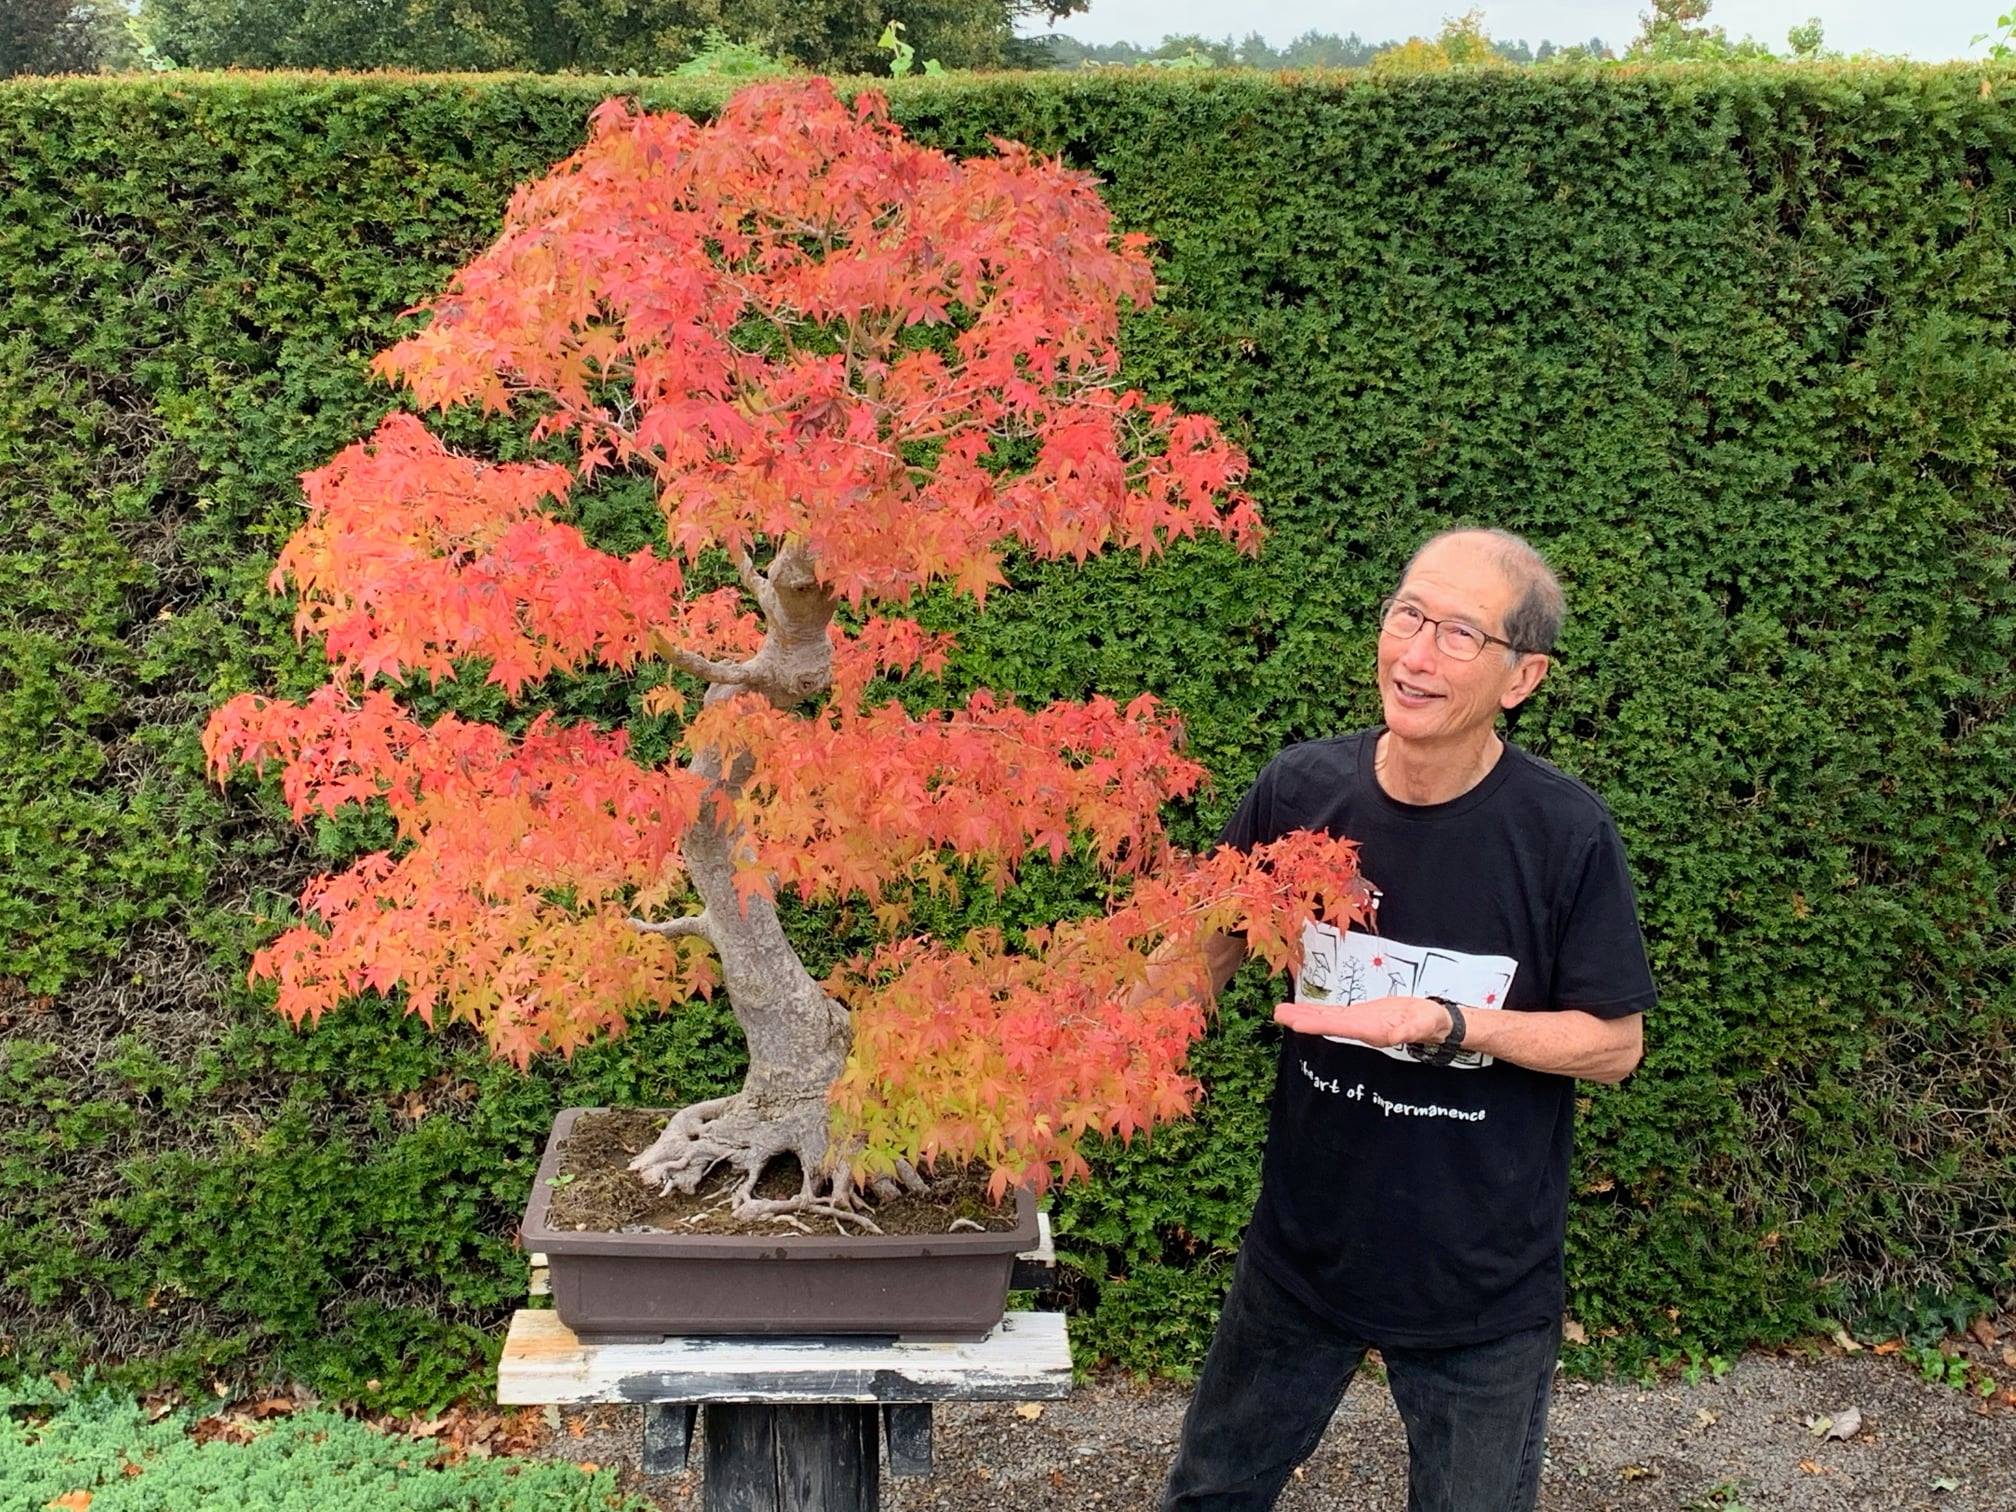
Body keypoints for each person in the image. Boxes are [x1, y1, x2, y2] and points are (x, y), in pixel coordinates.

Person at [1160, 527, 1656, 1512]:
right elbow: (1197, 958)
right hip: (1302, 1259)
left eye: (1459, 634)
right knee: (1208, 1496)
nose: (1416, 654)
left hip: (1478, 1286)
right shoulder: (1300, 793)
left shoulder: (1563, 835)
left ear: (1523, 676)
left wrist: (1450, 1021)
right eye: (1408, 616)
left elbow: (1614, 1045)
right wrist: (1079, 1042)